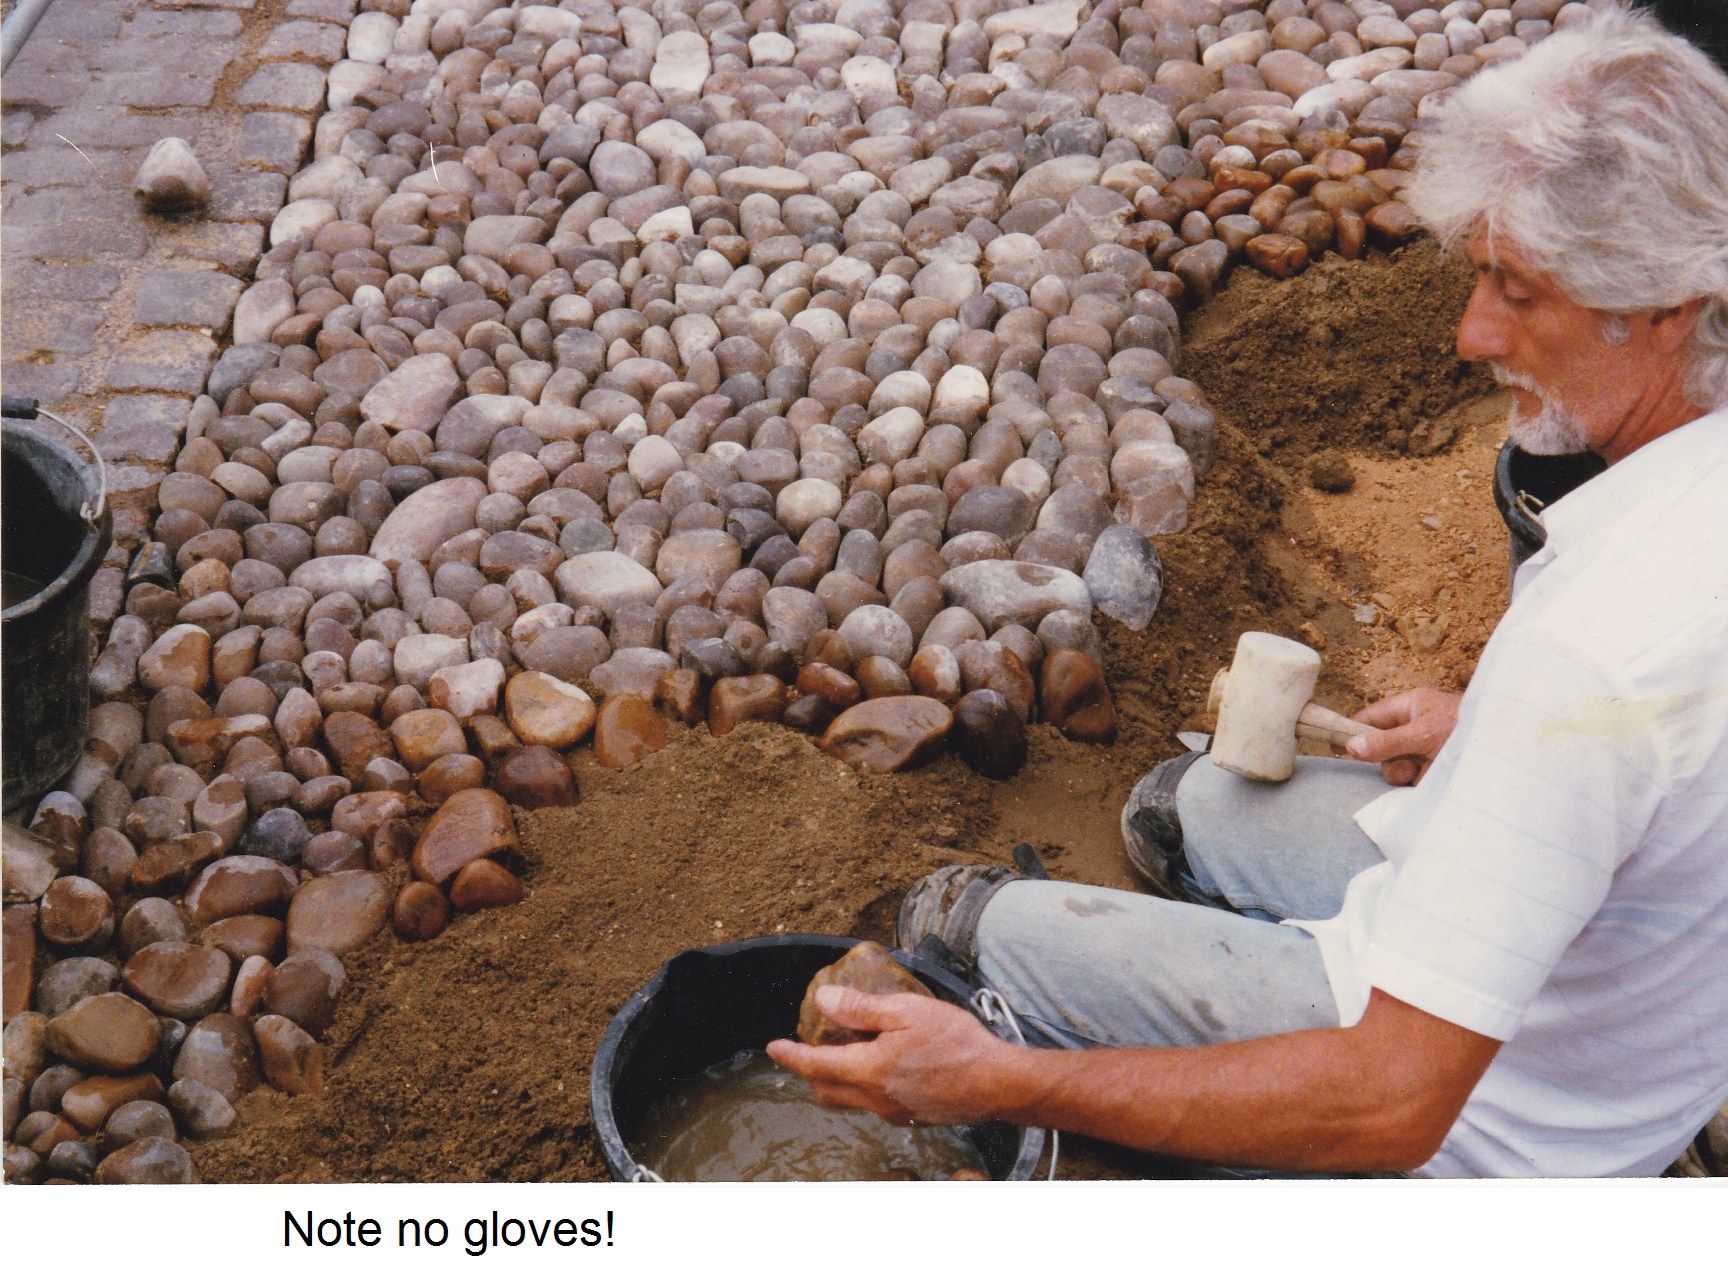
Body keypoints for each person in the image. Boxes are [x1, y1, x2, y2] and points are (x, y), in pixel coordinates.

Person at [768, 3, 1728, 1177]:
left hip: (1487, 1126)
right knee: (1185, 807)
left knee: (961, 929)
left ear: (1663, 301)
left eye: (1518, 292)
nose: (1472, 333)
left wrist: (1003, 1080)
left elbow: (1388, 1105)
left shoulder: (1588, 650)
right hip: (1621, 993)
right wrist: (1497, 739)